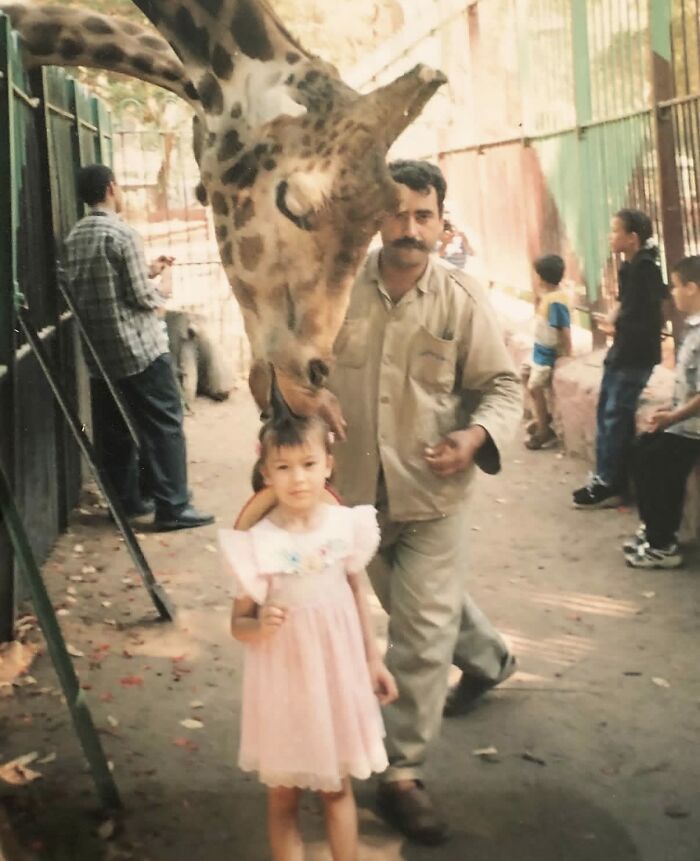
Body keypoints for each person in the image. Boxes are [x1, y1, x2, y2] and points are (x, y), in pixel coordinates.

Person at [318, 160, 522, 844]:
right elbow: (283, 368)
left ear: (441, 221)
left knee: (422, 627)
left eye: (423, 215)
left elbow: (502, 387)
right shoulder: (334, 289)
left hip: (433, 493)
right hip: (352, 499)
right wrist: (304, 393)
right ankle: (491, 657)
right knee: (415, 604)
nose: (410, 228)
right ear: (377, 217)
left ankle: (401, 773)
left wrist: (474, 434)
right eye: (398, 213)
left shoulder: (461, 299)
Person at [220, 413, 398, 861]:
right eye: (283, 467)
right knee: (283, 797)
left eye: (308, 464)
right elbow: (237, 623)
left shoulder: (343, 526)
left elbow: (356, 593)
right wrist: (259, 627)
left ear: (328, 465)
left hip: (335, 681)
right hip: (283, 685)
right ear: (266, 473)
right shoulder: (256, 543)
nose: (297, 478)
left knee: (337, 789)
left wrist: (373, 660)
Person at [63, 164, 214, 532]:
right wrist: (164, 277)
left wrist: (146, 268)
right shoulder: (123, 234)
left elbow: (108, 285)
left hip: (100, 353)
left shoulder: (75, 237)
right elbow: (144, 298)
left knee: (114, 428)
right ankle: (173, 506)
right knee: (165, 424)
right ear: (112, 188)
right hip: (139, 349)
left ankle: (127, 502)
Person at [573, 209, 669, 509]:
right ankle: (610, 476)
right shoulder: (629, 267)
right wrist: (616, 315)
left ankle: (609, 481)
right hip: (622, 351)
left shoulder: (647, 268)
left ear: (632, 238)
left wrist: (624, 322)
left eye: (615, 231)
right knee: (608, 412)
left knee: (615, 414)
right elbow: (626, 302)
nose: (610, 237)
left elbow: (656, 311)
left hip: (637, 354)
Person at [624, 255, 700, 569]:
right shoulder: (692, 329)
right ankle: (654, 529)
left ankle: (662, 543)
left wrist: (673, 417)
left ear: (693, 288)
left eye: (677, 286)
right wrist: (670, 410)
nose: (672, 293)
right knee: (642, 450)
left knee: (658, 464)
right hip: (685, 422)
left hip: (693, 429)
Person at [522, 254, 571, 450]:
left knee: (534, 386)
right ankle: (541, 417)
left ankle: (544, 431)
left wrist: (567, 353)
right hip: (539, 351)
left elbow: (564, 329)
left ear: (542, 278)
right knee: (525, 375)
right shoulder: (549, 298)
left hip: (549, 354)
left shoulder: (556, 301)